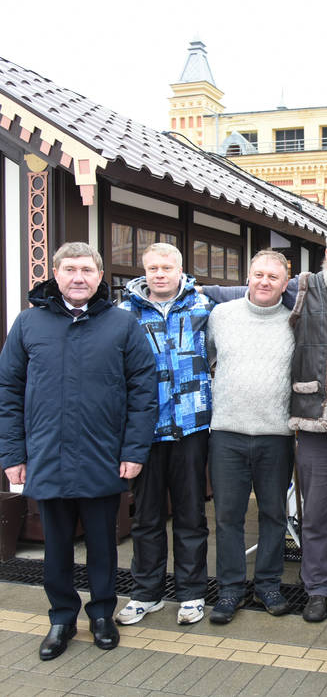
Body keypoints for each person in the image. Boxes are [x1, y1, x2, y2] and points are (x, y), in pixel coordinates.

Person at [202, 229, 327, 624]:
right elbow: (256, 286)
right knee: (314, 517)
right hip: (313, 421)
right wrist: (198, 287)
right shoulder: (305, 287)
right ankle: (317, 590)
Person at [0, 242, 157, 661]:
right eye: (69, 269)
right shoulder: (29, 324)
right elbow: (9, 391)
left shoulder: (122, 325)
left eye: (87, 270)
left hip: (104, 455)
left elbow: (144, 391)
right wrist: (13, 454)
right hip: (46, 454)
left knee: (104, 542)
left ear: (100, 276)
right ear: (55, 273)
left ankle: (102, 613)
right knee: (56, 544)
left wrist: (134, 450)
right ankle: (62, 617)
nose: (78, 277)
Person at [116, 243, 214, 626]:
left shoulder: (203, 307)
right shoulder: (125, 314)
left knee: (191, 515)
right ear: (144, 271)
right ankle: (146, 593)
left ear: (180, 269)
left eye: (167, 267)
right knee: (147, 517)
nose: (160, 273)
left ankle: (191, 594)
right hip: (145, 429)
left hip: (192, 425)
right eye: (153, 267)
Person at [205, 250, 295, 624]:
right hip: (227, 431)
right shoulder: (221, 317)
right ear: (248, 276)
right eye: (258, 274)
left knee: (274, 513)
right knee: (228, 516)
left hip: (276, 434)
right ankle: (229, 589)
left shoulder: (295, 322)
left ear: (285, 284)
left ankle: (268, 584)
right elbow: (209, 358)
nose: (264, 282)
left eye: (273, 277)